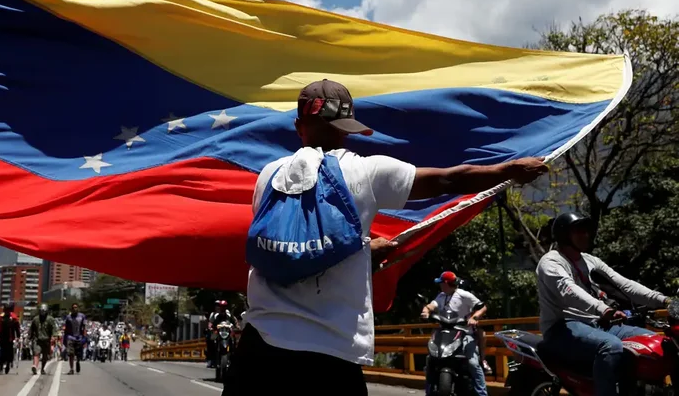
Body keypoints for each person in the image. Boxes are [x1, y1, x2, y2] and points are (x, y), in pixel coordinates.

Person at [222, 79, 548, 395]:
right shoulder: (366, 171)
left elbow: (292, 245)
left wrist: (362, 250)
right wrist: (509, 170)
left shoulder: (268, 176)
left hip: (257, 347)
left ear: (299, 126)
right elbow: (447, 181)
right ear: (346, 127)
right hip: (330, 351)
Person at [537, 212, 672, 396]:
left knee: (654, 342)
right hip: (562, 327)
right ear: (564, 235)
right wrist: (604, 309)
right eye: (579, 231)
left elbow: (624, 284)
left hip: (597, 325)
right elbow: (569, 291)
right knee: (611, 346)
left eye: (586, 230)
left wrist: (664, 300)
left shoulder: (590, 261)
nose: (586, 235)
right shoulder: (551, 261)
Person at [420, 271, 489, 396]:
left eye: (441, 283)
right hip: (444, 333)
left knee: (473, 363)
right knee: (431, 359)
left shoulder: (464, 295)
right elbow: (431, 305)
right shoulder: (441, 296)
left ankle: (482, 393)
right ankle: (429, 391)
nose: (440, 285)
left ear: (447, 283)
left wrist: (475, 317)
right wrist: (426, 311)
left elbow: (482, 307)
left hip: (464, 332)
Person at [30, 304, 56, 375]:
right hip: (37, 339)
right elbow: (32, 329)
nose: (42, 312)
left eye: (44, 311)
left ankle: (42, 369)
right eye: (41, 311)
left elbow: (54, 328)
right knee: (36, 353)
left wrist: (53, 336)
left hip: (47, 340)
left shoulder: (50, 319)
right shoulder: (35, 319)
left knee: (45, 356)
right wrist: (30, 337)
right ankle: (35, 366)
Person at [0, 302, 20, 375]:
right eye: (6, 310)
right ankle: (0, 368)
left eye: (8, 310)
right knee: (2, 353)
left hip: (10, 338)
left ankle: (8, 365)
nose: (7, 311)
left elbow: (17, 328)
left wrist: (18, 336)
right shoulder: (0, 317)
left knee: (9, 353)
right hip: (2, 338)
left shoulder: (13, 318)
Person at [63, 304, 87, 375]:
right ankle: (71, 369)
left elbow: (84, 327)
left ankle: (78, 361)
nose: (75, 309)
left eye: (76, 307)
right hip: (70, 337)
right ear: (71, 309)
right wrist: (65, 338)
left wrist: (84, 337)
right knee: (71, 354)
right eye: (73, 308)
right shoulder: (68, 317)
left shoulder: (82, 316)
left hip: (79, 337)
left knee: (78, 353)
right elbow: (66, 329)